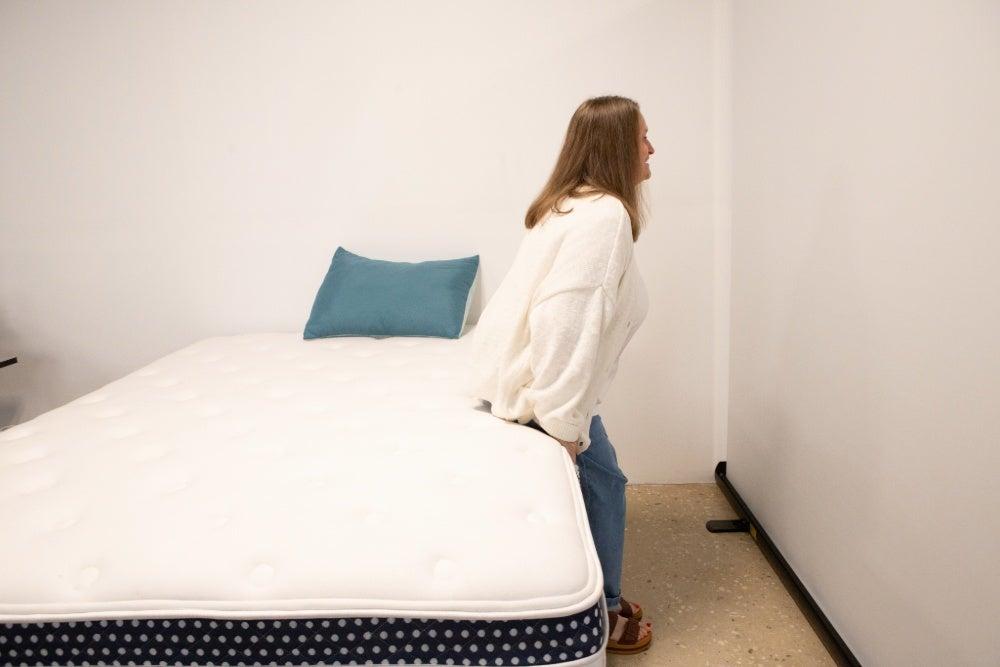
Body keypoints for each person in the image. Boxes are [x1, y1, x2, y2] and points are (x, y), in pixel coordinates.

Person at [465, 95, 654, 654]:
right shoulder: (606, 217)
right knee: (603, 483)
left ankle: (605, 596)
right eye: (643, 136)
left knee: (607, 479)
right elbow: (566, 321)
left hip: (525, 382)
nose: (651, 147)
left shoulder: (570, 204)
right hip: (541, 395)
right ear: (618, 146)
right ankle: (606, 612)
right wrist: (563, 428)